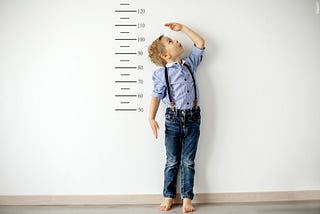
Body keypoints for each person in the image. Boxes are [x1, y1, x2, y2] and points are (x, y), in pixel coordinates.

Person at [148, 22, 205, 213]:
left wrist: (183, 28)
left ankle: (187, 198)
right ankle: (168, 196)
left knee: (188, 161)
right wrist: (151, 117)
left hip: (193, 118)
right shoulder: (161, 74)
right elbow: (156, 96)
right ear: (166, 55)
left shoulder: (190, 63)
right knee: (172, 160)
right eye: (170, 41)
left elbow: (200, 42)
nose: (177, 40)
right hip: (173, 119)